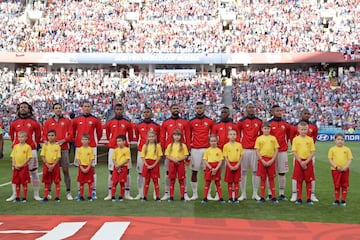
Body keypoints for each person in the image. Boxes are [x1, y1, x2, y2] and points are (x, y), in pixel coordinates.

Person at [8, 102, 42, 201]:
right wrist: (16, 145)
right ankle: (15, 194)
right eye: (21, 107)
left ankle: (36, 194)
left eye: (25, 107)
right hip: (17, 151)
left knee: (34, 172)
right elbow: (12, 136)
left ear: (29, 109)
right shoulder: (14, 122)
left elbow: (38, 136)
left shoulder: (34, 122)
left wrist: (34, 146)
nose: (23, 109)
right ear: (18, 109)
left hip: (31, 150)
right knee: (15, 172)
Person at [42, 103, 73, 200]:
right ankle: (49, 192)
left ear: (62, 109)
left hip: (63, 149)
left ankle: (68, 192)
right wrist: (46, 142)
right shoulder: (48, 122)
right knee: (51, 170)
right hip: (51, 151)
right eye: (56, 108)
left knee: (65, 170)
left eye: (59, 108)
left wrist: (63, 140)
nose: (58, 110)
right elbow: (43, 135)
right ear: (53, 110)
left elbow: (71, 134)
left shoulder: (67, 121)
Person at [160, 103, 190, 201]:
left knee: (183, 175)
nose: (176, 109)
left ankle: (184, 194)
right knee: (168, 173)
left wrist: (188, 150)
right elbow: (162, 137)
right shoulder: (165, 122)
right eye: (174, 108)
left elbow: (188, 136)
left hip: (181, 152)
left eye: (177, 108)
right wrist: (163, 150)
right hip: (170, 153)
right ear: (170, 110)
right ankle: (167, 193)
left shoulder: (184, 122)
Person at [72, 101, 102, 199]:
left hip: (91, 147)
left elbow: (99, 133)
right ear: (82, 108)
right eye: (85, 106)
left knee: (92, 169)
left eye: (89, 106)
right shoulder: (76, 120)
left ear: (91, 108)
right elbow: (73, 132)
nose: (87, 108)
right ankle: (79, 192)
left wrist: (93, 142)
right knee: (79, 169)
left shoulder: (95, 120)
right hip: (79, 147)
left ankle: (93, 191)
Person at [104, 104, 134, 200]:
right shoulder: (109, 122)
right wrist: (113, 142)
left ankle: (127, 193)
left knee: (127, 171)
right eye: (117, 109)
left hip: (125, 149)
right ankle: (110, 193)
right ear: (114, 110)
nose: (119, 111)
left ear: (123, 110)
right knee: (111, 171)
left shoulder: (127, 123)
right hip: (113, 148)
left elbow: (129, 135)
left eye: (121, 109)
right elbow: (108, 135)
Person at [290, 108, 319, 202]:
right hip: (298, 157)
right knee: (297, 177)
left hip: (309, 156)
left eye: (308, 114)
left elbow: (314, 139)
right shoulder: (294, 126)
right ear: (301, 114)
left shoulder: (313, 126)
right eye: (305, 113)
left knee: (310, 176)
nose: (306, 115)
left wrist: (307, 160)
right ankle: (295, 194)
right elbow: (291, 139)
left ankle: (311, 195)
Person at [211, 106, 238, 200]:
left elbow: (237, 139)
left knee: (233, 172)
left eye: (225, 112)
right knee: (218, 173)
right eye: (222, 112)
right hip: (219, 152)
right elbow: (213, 138)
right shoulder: (216, 126)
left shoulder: (234, 125)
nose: (224, 114)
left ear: (229, 113)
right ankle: (218, 193)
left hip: (231, 152)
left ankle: (234, 193)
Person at [189, 101, 214, 200]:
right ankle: (195, 194)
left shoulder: (210, 121)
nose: (199, 109)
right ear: (195, 109)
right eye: (198, 108)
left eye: (201, 108)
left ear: (204, 109)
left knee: (208, 172)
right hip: (195, 149)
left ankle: (208, 194)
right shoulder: (191, 122)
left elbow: (212, 136)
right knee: (194, 172)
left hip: (206, 149)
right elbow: (189, 135)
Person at [134, 107, 160, 200]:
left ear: (151, 113)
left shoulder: (156, 126)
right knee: (140, 173)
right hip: (142, 152)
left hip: (153, 153)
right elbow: (138, 137)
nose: (146, 114)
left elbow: (159, 139)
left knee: (155, 175)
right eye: (144, 112)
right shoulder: (138, 125)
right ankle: (140, 193)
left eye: (148, 112)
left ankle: (155, 193)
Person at [237, 102, 262, 201]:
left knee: (255, 171)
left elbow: (261, 136)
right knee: (243, 172)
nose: (251, 109)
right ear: (246, 109)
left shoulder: (259, 122)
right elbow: (238, 135)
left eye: (252, 107)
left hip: (255, 150)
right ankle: (243, 193)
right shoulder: (241, 122)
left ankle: (255, 193)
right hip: (244, 149)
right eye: (249, 107)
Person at [268, 105, 291, 201]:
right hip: (271, 152)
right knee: (270, 173)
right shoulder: (269, 124)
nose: (279, 112)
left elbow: (288, 136)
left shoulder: (285, 124)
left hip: (282, 151)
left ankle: (281, 193)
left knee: (282, 172)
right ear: (272, 112)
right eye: (277, 111)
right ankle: (270, 193)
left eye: (280, 110)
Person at [255, 122, 280, 204]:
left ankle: (273, 196)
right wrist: (262, 160)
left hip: (271, 160)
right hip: (262, 160)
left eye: (268, 128)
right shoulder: (259, 139)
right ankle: (262, 197)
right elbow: (257, 150)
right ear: (262, 129)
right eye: (265, 128)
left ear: (270, 129)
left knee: (271, 179)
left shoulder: (273, 138)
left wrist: (272, 160)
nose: (266, 130)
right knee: (262, 179)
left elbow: (276, 149)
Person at [328, 133, 353, 206]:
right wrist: (336, 167)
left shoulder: (347, 149)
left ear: (344, 141)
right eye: (338, 139)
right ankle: (336, 200)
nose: (340, 141)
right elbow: (330, 159)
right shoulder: (332, 149)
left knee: (344, 185)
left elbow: (350, 159)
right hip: (335, 170)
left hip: (345, 170)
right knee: (337, 185)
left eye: (342, 139)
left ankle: (343, 200)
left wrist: (345, 167)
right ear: (335, 140)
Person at [165, 129, 189, 202]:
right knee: (172, 180)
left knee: (181, 180)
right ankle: (171, 197)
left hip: (180, 163)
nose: (177, 137)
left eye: (178, 135)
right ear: (172, 136)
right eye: (175, 135)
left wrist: (178, 159)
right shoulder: (170, 145)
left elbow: (186, 155)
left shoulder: (183, 145)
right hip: (172, 163)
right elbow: (167, 155)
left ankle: (182, 197)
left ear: (181, 136)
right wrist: (174, 159)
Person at [201, 134, 225, 204]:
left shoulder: (219, 150)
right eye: (212, 141)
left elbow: (221, 160)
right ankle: (205, 197)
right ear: (209, 142)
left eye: (214, 141)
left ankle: (220, 198)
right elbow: (205, 160)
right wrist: (211, 168)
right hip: (209, 167)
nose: (213, 142)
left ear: (217, 141)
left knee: (217, 183)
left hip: (217, 167)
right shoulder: (207, 150)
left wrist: (216, 169)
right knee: (207, 183)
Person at [140, 130, 163, 202]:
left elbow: (159, 156)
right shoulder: (145, 146)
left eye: (152, 136)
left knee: (155, 181)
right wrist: (146, 164)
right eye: (149, 137)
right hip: (147, 164)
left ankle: (157, 196)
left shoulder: (158, 146)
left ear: (155, 137)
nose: (151, 138)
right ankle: (145, 196)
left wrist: (153, 165)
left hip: (154, 164)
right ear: (147, 137)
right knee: (146, 181)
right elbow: (143, 156)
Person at [10, 131, 32, 203]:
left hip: (24, 168)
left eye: (22, 137)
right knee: (17, 182)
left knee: (24, 183)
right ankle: (17, 197)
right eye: (19, 137)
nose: (20, 138)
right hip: (16, 168)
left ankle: (24, 197)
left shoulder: (28, 147)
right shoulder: (15, 146)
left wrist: (22, 165)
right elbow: (13, 156)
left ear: (26, 138)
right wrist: (14, 164)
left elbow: (29, 158)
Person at [40, 129, 61, 203]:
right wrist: (48, 165)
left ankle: (57, 197)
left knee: (57, 181)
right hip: (47, 165)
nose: (50, 137)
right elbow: (42, 156)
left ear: (55, 136)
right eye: (49, 135)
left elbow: (58, 157)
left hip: (55, 166)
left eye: (52, 135)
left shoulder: (57, 146)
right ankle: (45, 196)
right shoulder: (45, 145)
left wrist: (53, 165)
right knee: (46, 181)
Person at [223, 129, 243, 203]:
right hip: (229, 165)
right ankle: (230, 197)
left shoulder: (239, 145)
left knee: (236, 181)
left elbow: (241, 156)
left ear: (236, 136)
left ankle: (236, 197)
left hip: (237, 164)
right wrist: (229, 165)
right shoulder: (226, 146)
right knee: (230, 182)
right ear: (228, 136)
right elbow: (225, 157)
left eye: (234, 134)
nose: (232, 136)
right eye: (231, 134)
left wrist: (238, 164)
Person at [75, 133, 95, 202]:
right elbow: (78, 159)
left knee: (90, 183)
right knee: (81, 182)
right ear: (81, 140)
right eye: (83, 139)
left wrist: (88, 167)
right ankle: (81, 196)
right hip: (81, 167)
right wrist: (81, 167)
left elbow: (91, 159)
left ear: (89, 141)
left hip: (88, 167)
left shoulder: (90, 149)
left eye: (86, 139)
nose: (84, 141)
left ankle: (90, 196)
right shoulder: (79, 149)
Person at [111, 135, 131, 202]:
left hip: (123, 167)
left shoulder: (127, 150)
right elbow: (113, 159)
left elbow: (127, 159)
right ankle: (113, 196)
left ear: (124, 142)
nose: (118, 143)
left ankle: (121, 196)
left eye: (120, 141)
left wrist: (119, 165)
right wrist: (117, 166)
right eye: (117, 141)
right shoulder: (116, 150)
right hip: (116, 167)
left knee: (122, 182)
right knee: (114, 182)